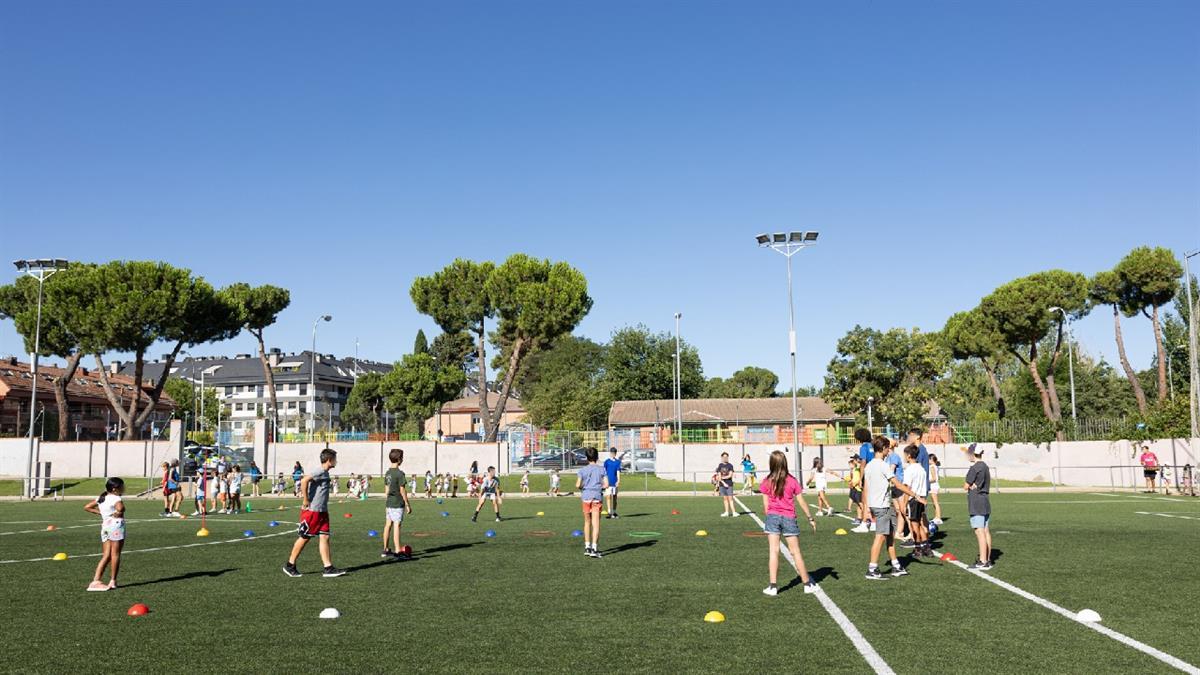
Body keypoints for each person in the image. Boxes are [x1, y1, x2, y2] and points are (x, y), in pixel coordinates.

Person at [758, 450, 818, 596]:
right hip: (789, 518)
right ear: (785, 463)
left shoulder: (766, 481)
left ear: (771, 464)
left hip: (772, 517)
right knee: (795, 552)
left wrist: (771, 518)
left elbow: (766, 507)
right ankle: (807, 584)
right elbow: (801, 501)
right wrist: (810, 518)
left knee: (773, 551)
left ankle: (773, 586)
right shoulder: (792, 480)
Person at [864, 436, 920, 580]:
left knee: (890, 536)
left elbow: (866, 488)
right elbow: (898, 484)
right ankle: (872, 568)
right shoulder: (883, 465)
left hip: (879, 505)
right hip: (882, 506)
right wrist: (915, 495)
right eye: (888, 448)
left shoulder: (869, 465)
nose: (889, 450)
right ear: (883, 449)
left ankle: (896, 566)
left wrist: (866, 508)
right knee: (880, 537)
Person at [283, 448, 345, 578]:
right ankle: (290, 565)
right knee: (305, 537)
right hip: (313, 511)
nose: (336, 461)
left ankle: (328, 567)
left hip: (322, 511)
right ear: (329, 460)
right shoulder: (320, 471)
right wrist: (305, 499)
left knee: (325, 537)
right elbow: (305, 480)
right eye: (335, 459)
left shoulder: (325, 473)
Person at [84, 477, 126, 591]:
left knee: (106, 555)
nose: (124, 488)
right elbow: (120, 508)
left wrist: (101, 513)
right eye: (122, 486)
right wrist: (117, 513)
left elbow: (87, 507)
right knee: (115, 554)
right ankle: (113, 580)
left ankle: (95, 580)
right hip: (115, 526)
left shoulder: (101, 497)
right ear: (114, 489)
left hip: (105, 526)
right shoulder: (116, 498)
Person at [964, 444, 993, 570]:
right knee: (986, 531)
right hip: (985, 500)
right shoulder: (985, 466)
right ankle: (987, 558)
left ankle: (982, 560)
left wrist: (970, 486)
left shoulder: (974, 468)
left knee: (979, 532)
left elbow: (966, 485)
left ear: (972, 454)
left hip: (976, 502)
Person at [899, 446, 931, 557]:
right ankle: (926, 547)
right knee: (921, 524)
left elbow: (907, 488)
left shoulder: (910, 469)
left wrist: (904, 503)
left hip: (913, 500)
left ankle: (918, 548)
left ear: (908, 456)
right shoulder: (921, 469)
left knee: (914, 525)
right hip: (921, 498)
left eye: (904, 455)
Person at [576, 447, 608, 558]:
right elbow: (606, 484)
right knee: (596, 524)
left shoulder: (582, 470)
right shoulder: (602, 469)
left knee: (587, 522)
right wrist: (600, 487)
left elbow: (577, 485)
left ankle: (587, 547)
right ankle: (594, 548)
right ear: (597, 457)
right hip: (596, 497)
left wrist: (584, 487)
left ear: (586, 458)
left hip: (586, 497)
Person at [382, 448, 412, 559]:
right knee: (397, 526)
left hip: (389, 503)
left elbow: (386, 491)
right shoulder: (400, 474)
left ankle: (385, 549)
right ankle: (398, 551)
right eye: (402, 457)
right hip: (397, 503)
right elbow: (402, 490)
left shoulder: (387, 473)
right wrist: (408, 504)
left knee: (387, 525)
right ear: (399, 459)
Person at [716, 452, 737, 517]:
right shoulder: (720, 465)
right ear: (722, 458)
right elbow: (719, 476)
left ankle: (734, 512)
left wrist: (721, 478)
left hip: (729, 484)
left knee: (730, 498)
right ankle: (726, 512)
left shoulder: (730, 465)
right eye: (724, 457)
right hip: (722, 485)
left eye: (726, 457)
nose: (725, 458)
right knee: (725, 499)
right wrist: (723, 483)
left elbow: (730, 475)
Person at [604, 447, 622, 518]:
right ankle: (609, 512)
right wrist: (604, 481)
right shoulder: (607, 462)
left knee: (614, 497)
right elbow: (604, 471)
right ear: (610, 453)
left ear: (615, 453)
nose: (612, 454)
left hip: (614, 482)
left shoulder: (618, 462)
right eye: (611, 453)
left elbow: (618, 471)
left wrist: (618, 480)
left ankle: (614, 512)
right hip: (608, 482)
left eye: (614, 453)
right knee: (608, 497)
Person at [847, 456, 864, 524]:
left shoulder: (858, 467)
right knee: (858, 504)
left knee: (861, 504)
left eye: (854, 459)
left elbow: (860, 463)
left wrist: (854, 483)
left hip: (859, 489)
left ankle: (867, 517)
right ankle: (859, 518)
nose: (852, 460)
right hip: (855, 488)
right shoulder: (854, 469)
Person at [928, 454, 943, 524]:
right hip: (934, 486)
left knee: (935, 502)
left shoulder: (932, 467)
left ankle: (938, 517)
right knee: (934, 502)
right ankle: (936, 516)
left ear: (931, 459)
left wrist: (927, 481)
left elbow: (934, 478)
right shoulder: (935, 467)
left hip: (933, 486)